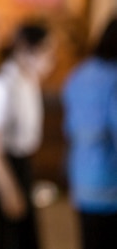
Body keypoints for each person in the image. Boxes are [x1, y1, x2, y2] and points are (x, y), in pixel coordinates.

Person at [0, 20, 54, 249]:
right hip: (1, 170)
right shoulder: (0, 86)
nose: (51, 58)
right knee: (0, 239)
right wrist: (8, 189)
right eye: (47, 50)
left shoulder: (27, 82)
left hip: (22, 166)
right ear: (26, 49)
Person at [61, 16, 117, 249]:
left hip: (81, 175)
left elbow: (70, 124)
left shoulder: (79, 74)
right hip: (110, 179)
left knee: (90, 239)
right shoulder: (114, 78)